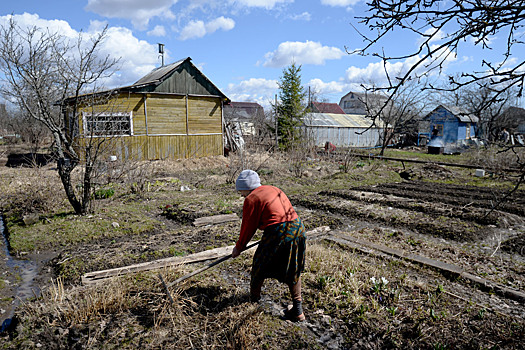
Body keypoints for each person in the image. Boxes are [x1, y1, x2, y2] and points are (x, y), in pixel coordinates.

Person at [232, 169, 307, 322]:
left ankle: (253, 302)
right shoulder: (274, 189)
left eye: (241, 192)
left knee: (259, 265)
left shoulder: (252, 198)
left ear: (246, 188)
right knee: (294, 268)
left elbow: (248, 227)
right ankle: (298, 311)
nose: (242, 195)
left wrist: (238, 247)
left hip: (279, 232)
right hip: (298, 228)